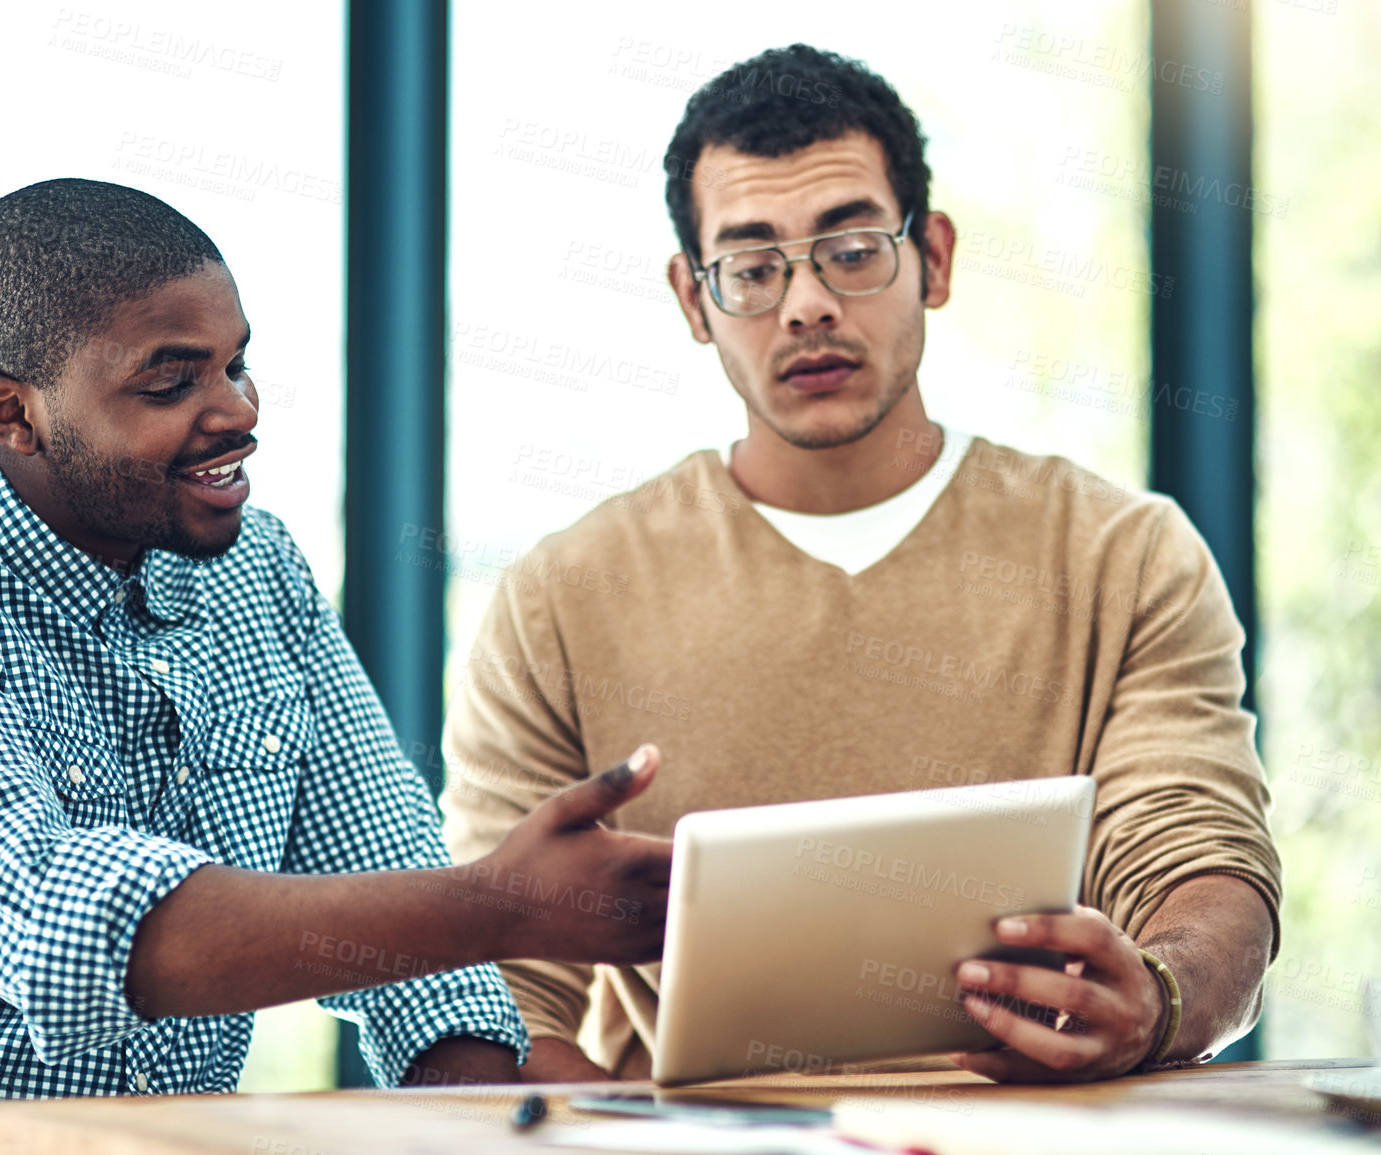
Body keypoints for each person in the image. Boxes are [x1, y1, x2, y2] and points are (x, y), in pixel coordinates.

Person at [0, 179, 671, 1155]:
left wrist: (513, 1097)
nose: (236, 411)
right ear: (13, 415)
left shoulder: (256, 569)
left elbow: (390, 894)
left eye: (236, 364)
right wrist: (509, 903)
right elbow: (78, 931)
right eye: (171, 382)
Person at [441, 44, 1281, 1085]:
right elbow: (499, 982)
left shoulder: (1123, 556)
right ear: (692, 300)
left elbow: (1202, 863)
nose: (806, 306)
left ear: (933, 256)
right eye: (752, 268)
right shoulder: (557, 600)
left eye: (851, 249)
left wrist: (1161, 994)